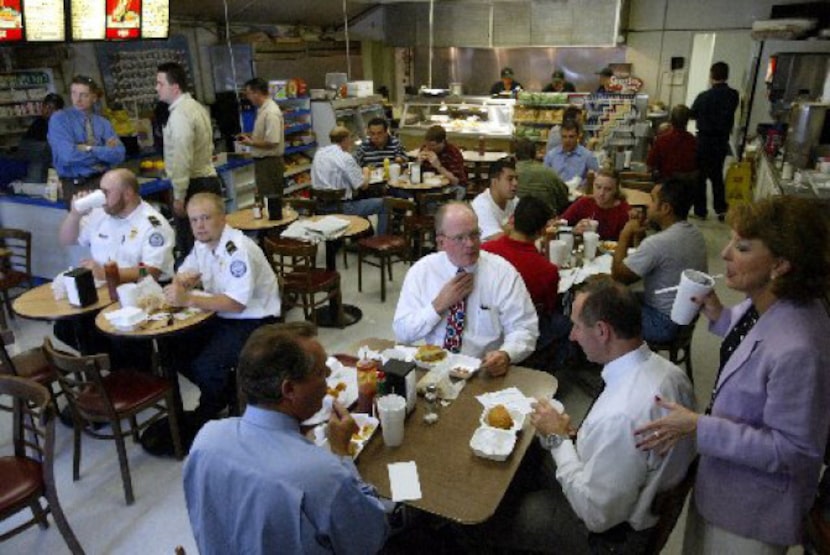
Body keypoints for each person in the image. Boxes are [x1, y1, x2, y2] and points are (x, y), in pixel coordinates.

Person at [634, 196, 830, 553]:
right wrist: (716, 313)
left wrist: (698, 426)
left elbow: (794, 450)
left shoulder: (800, 348)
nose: (724, 254)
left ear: (781, 264)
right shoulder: (769, 302)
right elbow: (752, 344)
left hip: (751, 514)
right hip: (721, 483)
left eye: (741, 247)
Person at [491, 278, 695, 553]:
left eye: (576, 326)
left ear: (602, 331)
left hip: (613, 536)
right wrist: (574, 437)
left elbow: (596, 516)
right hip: (630, 491)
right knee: (532, 464)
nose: (572, 336)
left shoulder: (620, 415)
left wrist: (557, 438)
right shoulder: (670, 372)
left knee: (514, 515)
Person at [183, 321, 389, 554]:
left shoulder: (205, 440)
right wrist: (342, 454)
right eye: (322, 372)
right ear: (289, 390)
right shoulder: (322, 472)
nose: (328, 379)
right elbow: (370, 539)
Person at [163, 192, 281, 424]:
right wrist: (182, 281)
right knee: (172, 349)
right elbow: (183, 272)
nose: (199, 226)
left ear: (223, 218)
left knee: (206, 362)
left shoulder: (238, 250)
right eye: (194, 220)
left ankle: (210, 408)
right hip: (223, 315)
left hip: (256, 320)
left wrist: (187, 298)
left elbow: (236, 304)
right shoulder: (203, 244)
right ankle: (225, 392)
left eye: (205, 218)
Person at [393, 202, 538, 376]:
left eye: (474, 234)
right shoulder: (422, 272)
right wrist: (437, 306)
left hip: (484, 371)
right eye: (460, 238)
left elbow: (525, 328)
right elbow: (403, 332)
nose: (470, 244)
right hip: (435, 368)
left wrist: (506, 354)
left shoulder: (502, 273)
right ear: (441, 242)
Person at [56, 168, 174, 369]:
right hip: (104, 292)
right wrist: (75, 214)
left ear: (128, 193)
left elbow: (151, 271)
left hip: (140, 293)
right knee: (66, 327)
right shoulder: (100, 214)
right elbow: (66, 239)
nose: (101, 197)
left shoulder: (152, 224)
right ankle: (113, 367)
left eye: (106, 192)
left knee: (115, 336)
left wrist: (107, 272)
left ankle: (132, 373)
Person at [611, 179, 707, 343]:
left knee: (603, 305)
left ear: (665, 208)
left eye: (653, 200)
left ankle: (604, 362)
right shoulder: (694, 233)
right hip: (684, 317)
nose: (647, 205)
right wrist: (639, 235)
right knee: (619, 296)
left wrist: (625, 234)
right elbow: (644, 264)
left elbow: (619, 275)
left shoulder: (659, 242)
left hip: (662, 322)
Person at [481, 196, 570, 368]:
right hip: (520, 330)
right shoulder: (547, 270)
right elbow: (548, 308)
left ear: (512, 219)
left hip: (486, 323)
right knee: (564, 322)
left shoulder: (484, 251)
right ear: (543, 230)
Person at [155, 61, 222, 258]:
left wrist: (179, 195)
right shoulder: (196, 107)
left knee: (193, 247)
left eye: (160, 83)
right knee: (212, 243)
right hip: (207, 180)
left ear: (174, 87)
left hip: (193, 186)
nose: (156, 88)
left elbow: (182, 158)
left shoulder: (180, 115)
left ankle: (197, 288)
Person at [47, 75, 125, 205]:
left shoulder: (103, 123)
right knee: (87, 224)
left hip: (104, 181)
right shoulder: (60, 119)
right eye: (74, 93)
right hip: (77, 185)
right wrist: (104, 151)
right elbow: (68, 156)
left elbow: (119, 154)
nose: (77, 99)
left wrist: (89, 148)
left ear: (94, 98)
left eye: (84, 95)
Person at [310, 126, 387, 234]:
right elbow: (362, 185)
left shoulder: (319, 153)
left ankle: (363, 234)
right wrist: (366, 172)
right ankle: (380, 240)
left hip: (320, 206)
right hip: (341, 208)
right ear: (346, 139)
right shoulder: (345, 157)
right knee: (383, 204)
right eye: (350, 138)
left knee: (357, 197)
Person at [690, 61, 739, 221]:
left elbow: (692, 114)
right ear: (727, 75)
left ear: (711, 76)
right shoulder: (733, 95)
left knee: (700, 177)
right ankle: (720, 210)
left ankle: (701, 211)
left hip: (703, 140)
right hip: (721, 141)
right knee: (717, 175)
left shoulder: (703, 97)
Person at [238, 77, 284, 200]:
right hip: (264, 162)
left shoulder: (271, 112)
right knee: (266, 198)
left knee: (271, 199)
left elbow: (273, 142)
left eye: (249, 93)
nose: (248, 97)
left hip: (269, 163)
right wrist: (251, 135)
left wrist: (251, 142)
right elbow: (265, 134)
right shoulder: (262, 109)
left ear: (257, 92)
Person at [561, 168, 630, 239]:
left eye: (608, 189)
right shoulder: (584, 203)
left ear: (616, 190)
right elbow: (561, 224)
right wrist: (574, 230)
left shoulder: (623, 211)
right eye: (598, 187)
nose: (601, 193)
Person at [515, 138, 568, 216]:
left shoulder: (509, 173)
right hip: (546, 221)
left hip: (515, 220)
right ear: (535, 154)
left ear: (515, 156)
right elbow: (563, 197)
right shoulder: (548, 173)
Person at [470, 157, 518, 241]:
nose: (515, 183)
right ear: (494, 182)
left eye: (516, 179)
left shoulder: (514, 201)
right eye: (510, 179)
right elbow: (496, 240)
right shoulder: (481, 205)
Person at [647, 104, 697, 181]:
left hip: (666, 186)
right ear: (687, 121)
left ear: (671, 120)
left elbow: (650, 165)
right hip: (689, 188)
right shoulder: (694, 141)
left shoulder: (662, 140)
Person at [417, 125, 467, 201]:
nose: (430, 148)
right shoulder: (425, 148)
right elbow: (411, 175)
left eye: (433, 145)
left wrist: (438, 166)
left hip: (451, 187)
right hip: (428, 187)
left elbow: (456, 181)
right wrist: (418, 162)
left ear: (442, 142)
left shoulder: (452, 152)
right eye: (427, 144)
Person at [543, 120, 598, 188]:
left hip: (579, 195)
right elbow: (544, 179)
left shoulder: (587, 156)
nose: (567, 140)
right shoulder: (551, 156)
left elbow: (597, 177)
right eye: (564, 137)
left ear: (578, 137)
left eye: (571, 137)